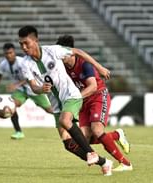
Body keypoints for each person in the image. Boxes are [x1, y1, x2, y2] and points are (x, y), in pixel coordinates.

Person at [18, 25, 113, 176]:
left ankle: (91, 153)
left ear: (36, 40)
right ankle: (104, 162)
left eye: (26, 43)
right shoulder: (24, 64)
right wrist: (41, 89)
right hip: (56, 104)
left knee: (65, 120)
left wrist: (99, 67)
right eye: (21, 44)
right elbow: (33, 87)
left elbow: (78, 52)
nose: (23, 47)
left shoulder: (53, 50)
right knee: (68, 144)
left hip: (71, 95)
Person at [56, 35, 132, 172]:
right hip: (83, 102)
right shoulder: (62, 68)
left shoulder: (84, 64)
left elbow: (93, 87)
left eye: (63, 54)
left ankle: (125, 163)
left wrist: (74, 98)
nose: (60, 57)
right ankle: (116, 135)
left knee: (97, 130)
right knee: (83, 140)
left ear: (70, 52)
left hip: (97, 96)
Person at [0, 43, 53, 139]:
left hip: (34, 88)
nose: (9, 55)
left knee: (49, 110)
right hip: (20, 91)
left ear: (14, 52)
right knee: (12, 106)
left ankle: (69, 120)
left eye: (10, 53)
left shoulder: (22, 62)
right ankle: (18, 132)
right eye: (6, 53)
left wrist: (16, 84)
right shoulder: (3, 64)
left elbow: (30, 77)